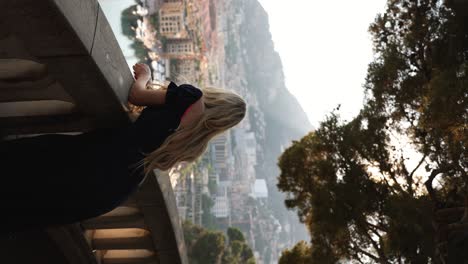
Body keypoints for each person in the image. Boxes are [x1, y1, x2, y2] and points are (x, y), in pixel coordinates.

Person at [0, 63, 246, 233]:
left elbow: (137, 96)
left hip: (97, 158)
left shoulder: (190, 97)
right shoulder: (195, 146)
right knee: (29, 209)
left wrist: (145, 75)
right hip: (112, 191)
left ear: (219, 96)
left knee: (21, 164)